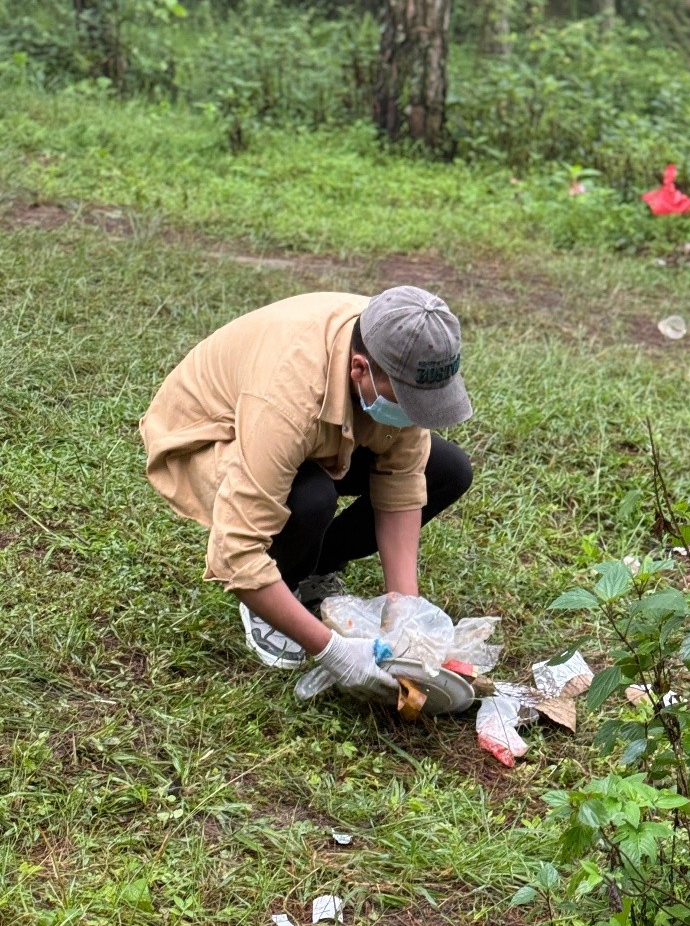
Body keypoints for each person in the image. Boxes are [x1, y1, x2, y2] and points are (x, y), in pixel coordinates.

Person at [139, 285, 473, 700]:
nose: (415, 416)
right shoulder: (287, 398)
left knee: (448, 470)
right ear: (359, 369)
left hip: (314, 435)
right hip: (214, 434)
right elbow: (236, 552)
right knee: (310, 498)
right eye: (408, 401)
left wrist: (406, 612)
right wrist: (333, 650)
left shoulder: (401, 346)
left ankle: (314, 565)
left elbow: (401, 481)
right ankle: (277, 589)